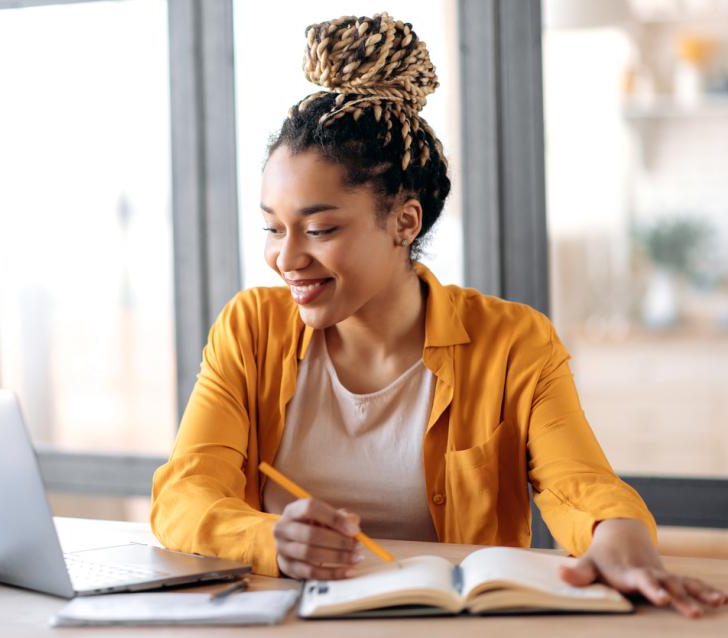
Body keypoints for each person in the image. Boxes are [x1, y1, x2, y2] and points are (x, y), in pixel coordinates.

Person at [150, 12, 726, 618]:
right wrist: (269, 540)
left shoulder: (513, 342)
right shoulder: (250, 330)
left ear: (405, 220)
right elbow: (184, 493)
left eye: (319, 228)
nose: (286, 258)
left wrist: (619, 535)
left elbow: (575, 483)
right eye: (272, 228)